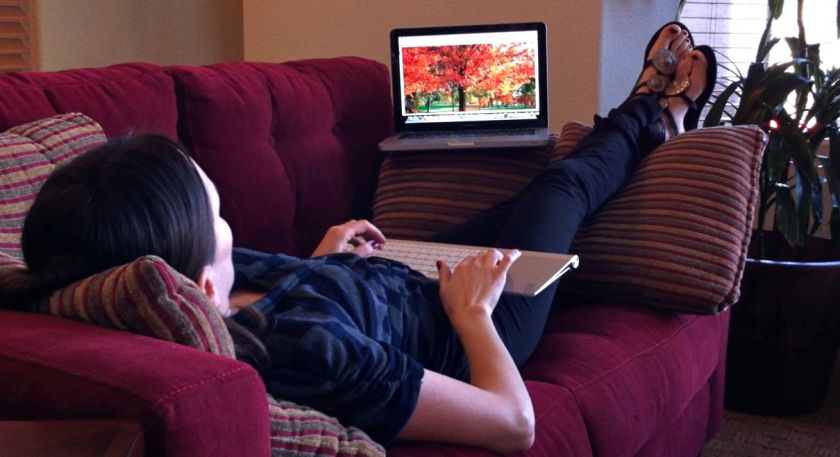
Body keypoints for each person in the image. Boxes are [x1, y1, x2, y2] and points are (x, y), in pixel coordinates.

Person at [1, 23, 715, 453]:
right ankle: (653, 112)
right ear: (204, 286)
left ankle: (645, 115)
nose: (228, 226)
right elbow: (514, 422)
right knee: (561, 190)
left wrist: (324, 260)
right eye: (218, 214)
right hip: (474, 322)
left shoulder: (181, 279)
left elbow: (270, 305)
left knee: (532, 196)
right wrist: (473, 315)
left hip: (393, 272)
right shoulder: (310, 353)